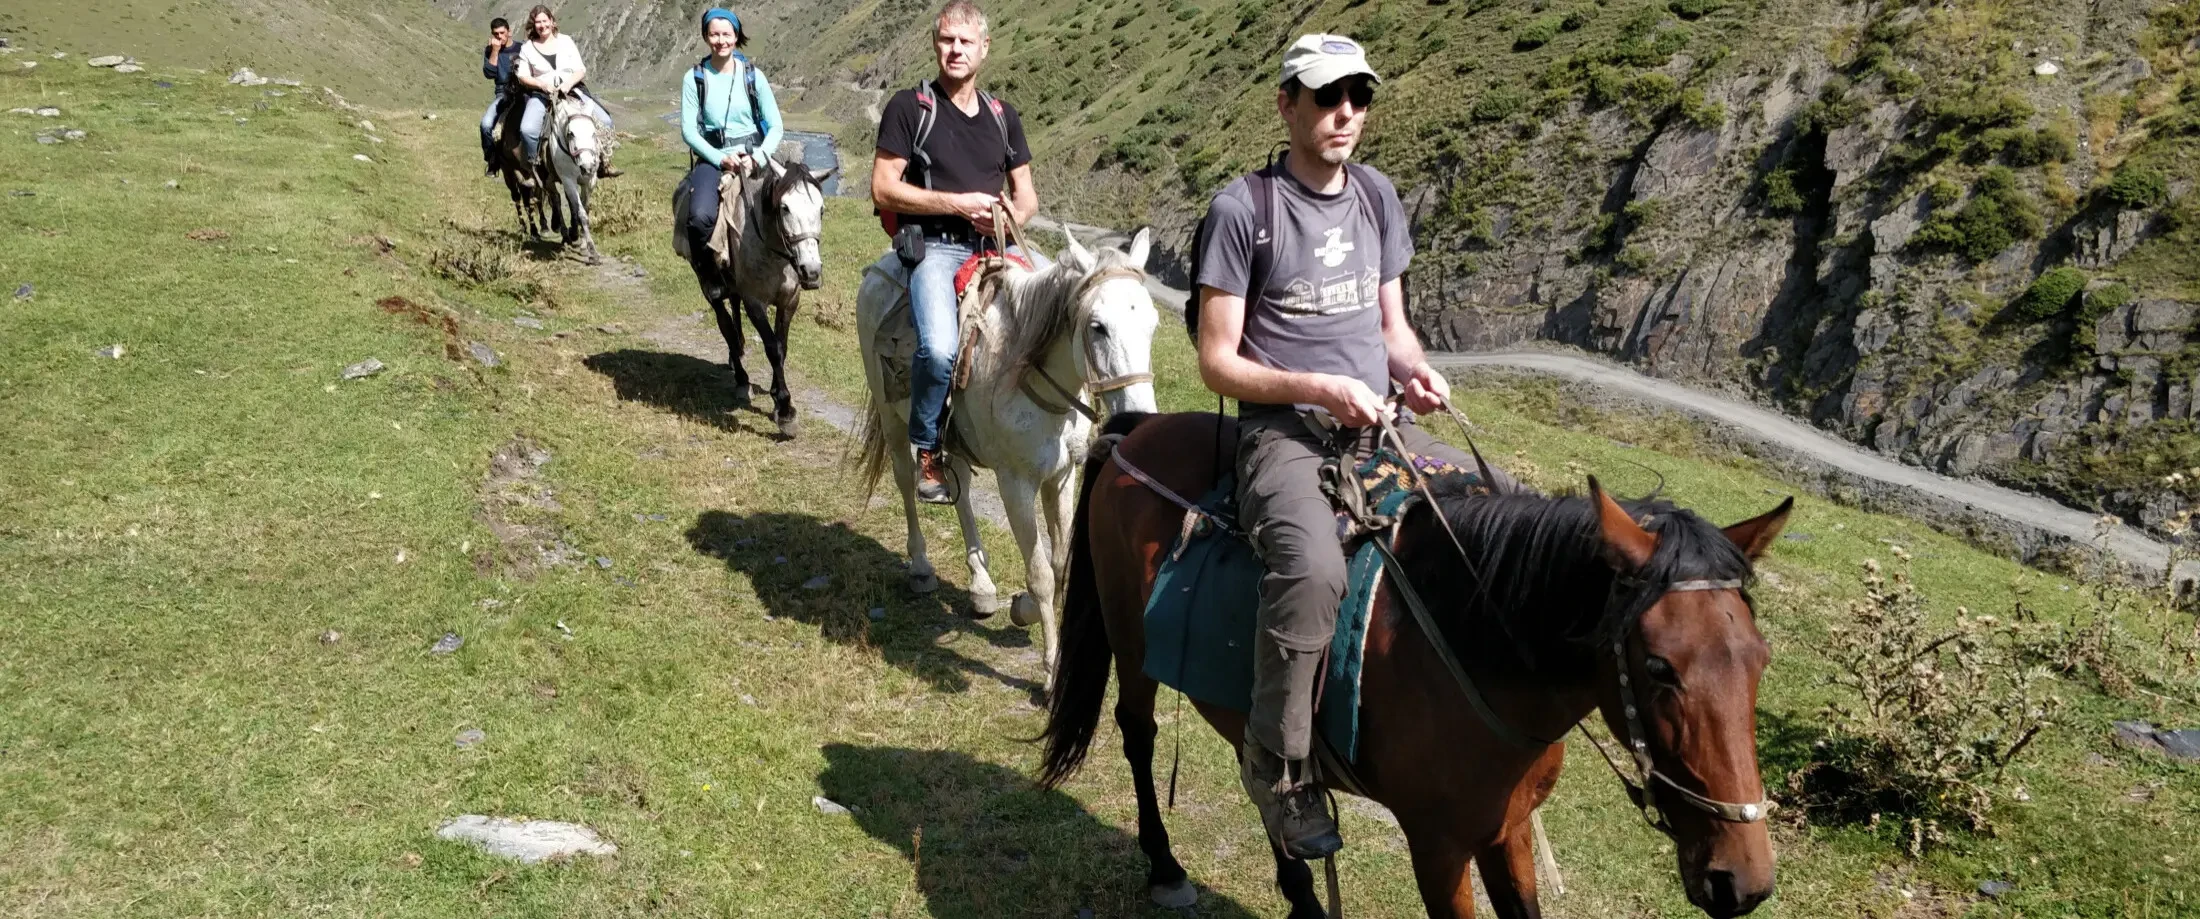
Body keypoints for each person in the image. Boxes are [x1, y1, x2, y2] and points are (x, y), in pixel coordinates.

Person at [1191, 34, 1518, 860]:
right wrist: (1317, 387)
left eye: (1358, 97)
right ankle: (1281, 762)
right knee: (1311, 568)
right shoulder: (1244, 210)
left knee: (1497, 512)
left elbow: (1391, 329)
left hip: (1380, 424)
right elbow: (1216, 359)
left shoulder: (1375, 196)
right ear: (1286, 104)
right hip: (1285, 434)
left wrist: (1415, 371)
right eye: (1326, 95)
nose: (1344, 113)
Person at [869, 0, 1036, 504]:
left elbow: (1026, 195)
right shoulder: (909, 108)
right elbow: (882, 187)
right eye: (947, 40)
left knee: (1066, 313)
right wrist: (955, 204)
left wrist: (1008, 217)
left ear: (984, 49)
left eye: (966, 41)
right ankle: (928, 449)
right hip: (936, 249)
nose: (955, 49)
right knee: (939, 348)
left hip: (997, 246)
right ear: (935, 45)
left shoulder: (1003, 117)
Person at [680, 7, 783, 283]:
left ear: (736, 37)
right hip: (714, 157)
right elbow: (689, 131)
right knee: (699, 217)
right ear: (705, 37)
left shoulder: (754, 76)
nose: (721, 40)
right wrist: (719, 158)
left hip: (754, 154)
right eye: (714, 34)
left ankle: (792, 271)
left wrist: (758, 158)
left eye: (726, 34)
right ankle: (713, 278)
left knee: (793, 207)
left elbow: (776, 127)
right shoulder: (694, 79)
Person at [512, 4, 621, 178]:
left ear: (552, 21)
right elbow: (523, 76)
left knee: (605, 121)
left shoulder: (566, 41)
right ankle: (535, 167)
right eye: (538, 22)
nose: (542, 25)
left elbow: (580, 69)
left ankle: (603, 163)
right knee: (527, 129)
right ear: (533, 25)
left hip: (572, 91)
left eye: (545, 21)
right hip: (542, 95)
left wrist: (568, 84)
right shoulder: (528, 48)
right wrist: (542, 84)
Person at [479, 17, 522, 176]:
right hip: (503, 93)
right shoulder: (491, 50)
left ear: (509, 32)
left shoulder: (522, 48)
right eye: (496, 34)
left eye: (502, 33)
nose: (499, 37)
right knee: (486, 125)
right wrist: (495, 51)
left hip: (524, 91)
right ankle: (492, 160)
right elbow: (489, 73)